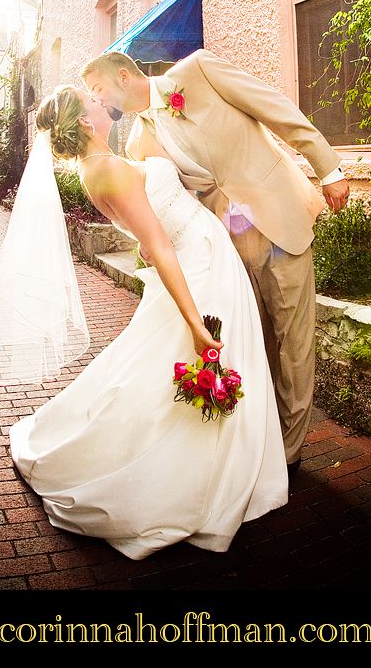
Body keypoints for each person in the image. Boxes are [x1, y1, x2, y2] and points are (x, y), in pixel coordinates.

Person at [0, 84, 288, 561]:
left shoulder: (102, 166)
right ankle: (182, 482)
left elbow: (148, 243)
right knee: (175, 370)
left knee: (145, 370)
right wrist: (195, 322)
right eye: (90, 98)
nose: (98, 98)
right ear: (86, 121)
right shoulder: (107, 169)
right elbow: (160, 243)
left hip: (201, 259)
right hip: (200, 271)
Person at [81, 49, 350, 476]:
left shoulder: (199, 70)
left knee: (294, 343)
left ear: (126, 75)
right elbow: (164, 200)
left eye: (98, 90)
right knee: (257, 343)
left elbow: (274, 107)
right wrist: (149, 243)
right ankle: (259, 440)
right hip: (226, 246)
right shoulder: (137, 141)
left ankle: (289, 454)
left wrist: (328, 168)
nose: (98, 100)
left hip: (279, 218)